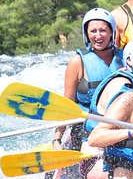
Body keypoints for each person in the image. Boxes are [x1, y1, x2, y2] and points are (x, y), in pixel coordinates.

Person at [52, 8, 123, 151]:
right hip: (86, 129)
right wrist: (57, 137)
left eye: (103, 30)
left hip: (120, 126)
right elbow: (67, 104)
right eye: (93, 31)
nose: (98, 36)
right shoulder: (77, 62)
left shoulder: (126, 59)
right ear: (86, 34)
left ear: (111, 32)